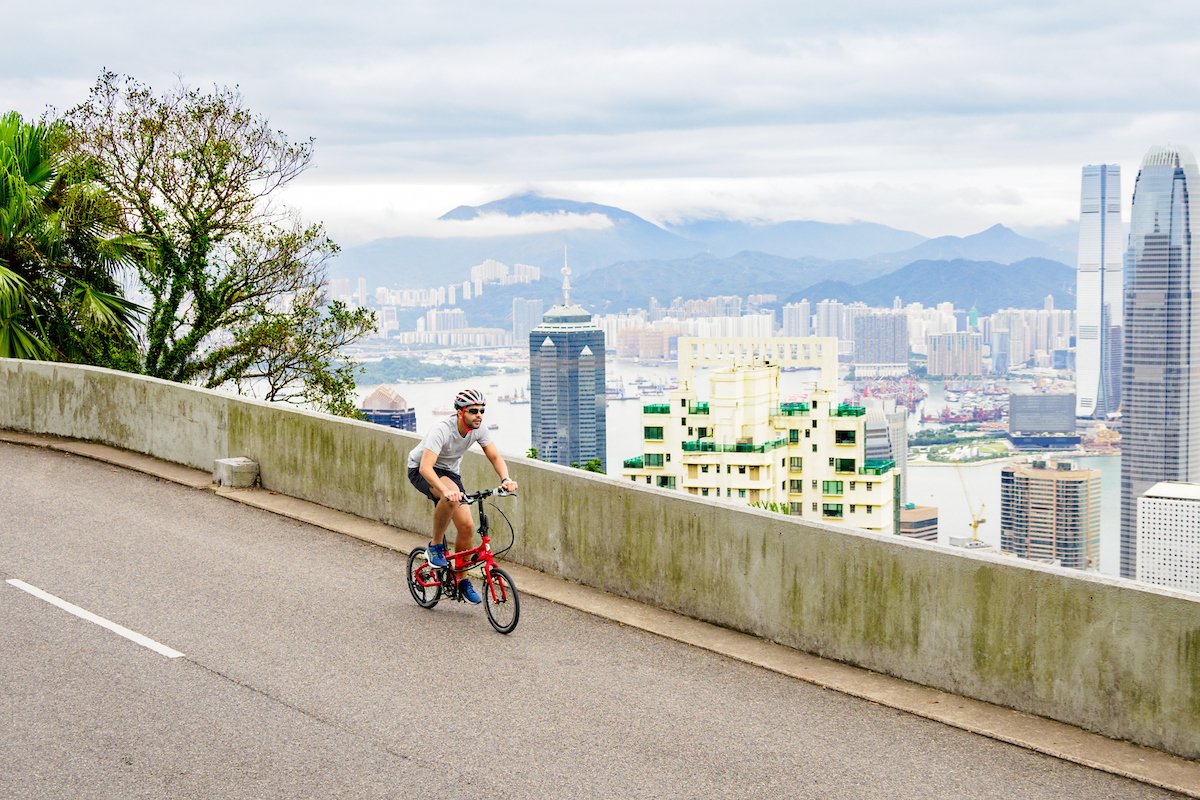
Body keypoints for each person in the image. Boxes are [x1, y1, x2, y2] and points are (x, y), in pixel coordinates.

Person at [406, 388, 518, 604]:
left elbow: (494, 456)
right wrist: (445, 490)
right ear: (460, 412)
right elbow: (425, 468)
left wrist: (505, 479)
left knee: (466, 526)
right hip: (421, 469)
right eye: (473, 411)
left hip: (450, 473)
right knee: (449, 498)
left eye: (482, 411)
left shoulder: (479, 429)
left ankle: (461, 578)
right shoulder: (442, 430)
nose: (479, 415)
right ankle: (435, 546)